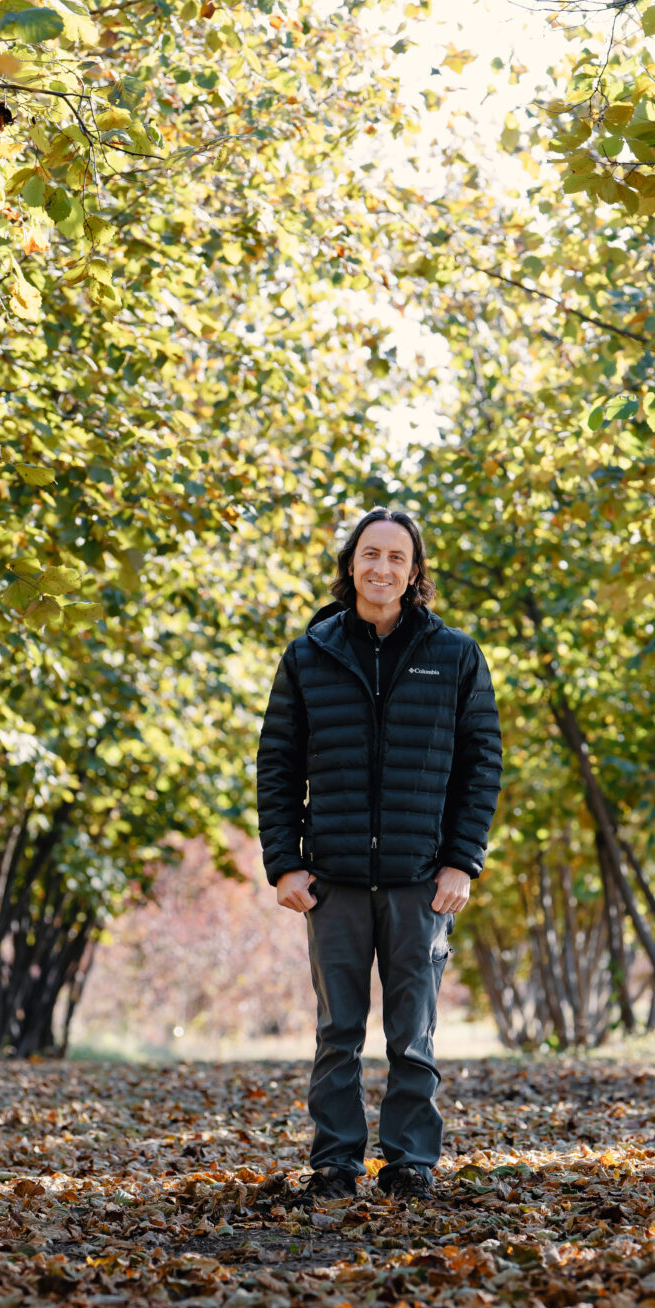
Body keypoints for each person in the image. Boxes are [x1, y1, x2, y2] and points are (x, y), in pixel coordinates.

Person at [255, 507, 502, 1201]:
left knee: (412, 1033)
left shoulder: (455, 654)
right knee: (337, 1030)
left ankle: (410, 1161)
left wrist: (462, 860)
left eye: (397, 557)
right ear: (351, 564)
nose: (382, 568)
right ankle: (335, 1161)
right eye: (370, 554)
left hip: (420, 879)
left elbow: (481, 765)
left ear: (415, 570)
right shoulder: (310, 653)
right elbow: (276, 762)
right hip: (330, 878)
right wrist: (285, 861)